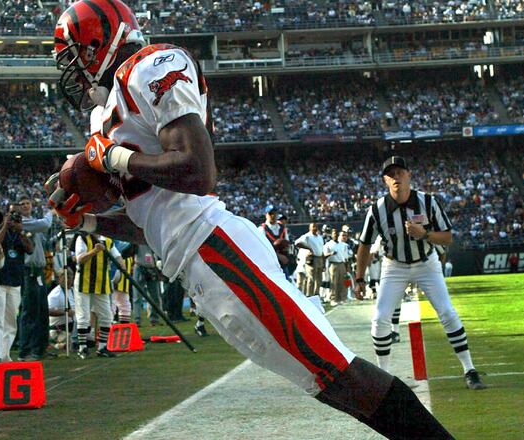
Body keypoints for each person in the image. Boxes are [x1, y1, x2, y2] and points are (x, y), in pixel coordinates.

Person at [49, 3, 453, 438]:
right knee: (332, 381)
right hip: (199, 259)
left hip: (215, 250)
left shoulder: (150, 66)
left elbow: (198, 171)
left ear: (97, 44)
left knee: (339, 376)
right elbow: (152, 224)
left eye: (75, 56)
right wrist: (88, 223)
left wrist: (115, 157)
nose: (71, 70)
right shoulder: (104, 116)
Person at [353, 156, 486, 390]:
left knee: (447, 312)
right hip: (394, 266)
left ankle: (469, 369)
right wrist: (359, 278)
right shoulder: (377, 209)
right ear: (385, 180)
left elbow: (447, 237)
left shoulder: (428, 202)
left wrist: (424, 234)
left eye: (399, 172)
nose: (396, 177)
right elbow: (364, 244)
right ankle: (384, 377)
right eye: (391, 174)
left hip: (426, 263)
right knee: (380, 318)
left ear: (408, 175)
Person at [0, 205, 34, 367]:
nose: (14, 221)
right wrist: (5, 226)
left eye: (17, 219)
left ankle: (5, 354)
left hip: (15, 281)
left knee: (10, 320)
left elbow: (30, 249)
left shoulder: (20, 235)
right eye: (11, 217)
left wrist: (21, 231)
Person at [74, 233, 124, 358]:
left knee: (107, 315)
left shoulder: (108, 240)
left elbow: (117, 255)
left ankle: (102, 347)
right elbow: (80, 259)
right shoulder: (83, 238)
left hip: (102, 282)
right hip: (84, 281)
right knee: (83, 316)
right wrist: (95, 251)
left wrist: (121, 264)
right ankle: (82, 348)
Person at [17, 194, 53, 361]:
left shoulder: (32, 222)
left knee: (41, 311)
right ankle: (26, 349)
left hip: (38, 271)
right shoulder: (22, 223)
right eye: (22, 204)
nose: (25, 206)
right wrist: (51, 211)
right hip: (29, 271)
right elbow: (45, 224)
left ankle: (40, 347)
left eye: (27, 203)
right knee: (29, 312)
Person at [132, 244, 163, 326]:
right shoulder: (137, 239)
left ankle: (154, 319)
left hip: (152, 268)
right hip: (140, 267)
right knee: (137, 296)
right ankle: (138, 320)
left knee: (155, 296)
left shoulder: (153, 240)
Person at [294, 223, 325, 298]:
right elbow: (297, 243)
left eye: (316, 226)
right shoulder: (307, 236)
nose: (315, 228)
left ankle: (316, 294)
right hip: (312, 258)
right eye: (313, 226)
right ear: (309, 228)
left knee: (319, 279)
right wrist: (308, 248)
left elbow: (321, 249)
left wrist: (323, 260)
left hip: (319, 257)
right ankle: (309, 295)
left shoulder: (320, 237)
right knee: (311, 278)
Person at [48, 268, 75, 353]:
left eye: (70, 278)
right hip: (59, 329)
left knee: (90, 341)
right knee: (70, 344)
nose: (68, 281)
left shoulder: (73, 291)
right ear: (59, 279)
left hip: (73, 326)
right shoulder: (55, 294)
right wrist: (65, 312)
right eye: (65, 278)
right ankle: (54, 342)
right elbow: (48, 311)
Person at [324, 229, 352, 306]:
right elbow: (324, 255)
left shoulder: (343, 245)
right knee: (334, 282)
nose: (335, 235)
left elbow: (347, 256)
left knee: (343, 282)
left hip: (342, 264)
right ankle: (333, 299)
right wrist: (331, 253)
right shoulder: (328, 244)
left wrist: (347, 266)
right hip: (333, 264)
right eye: (334, 234)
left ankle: (343, 298)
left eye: (337, 234)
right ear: (331, 235)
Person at [258, 205, 289, 270]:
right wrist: (278, 256)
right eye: (270, 213)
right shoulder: (262, 229)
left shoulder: (283, 228)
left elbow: (287, 244)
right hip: (268, 264)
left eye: (275, 213)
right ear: (266, 215)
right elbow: (262, 248)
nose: (273, 215)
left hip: (282, 264)